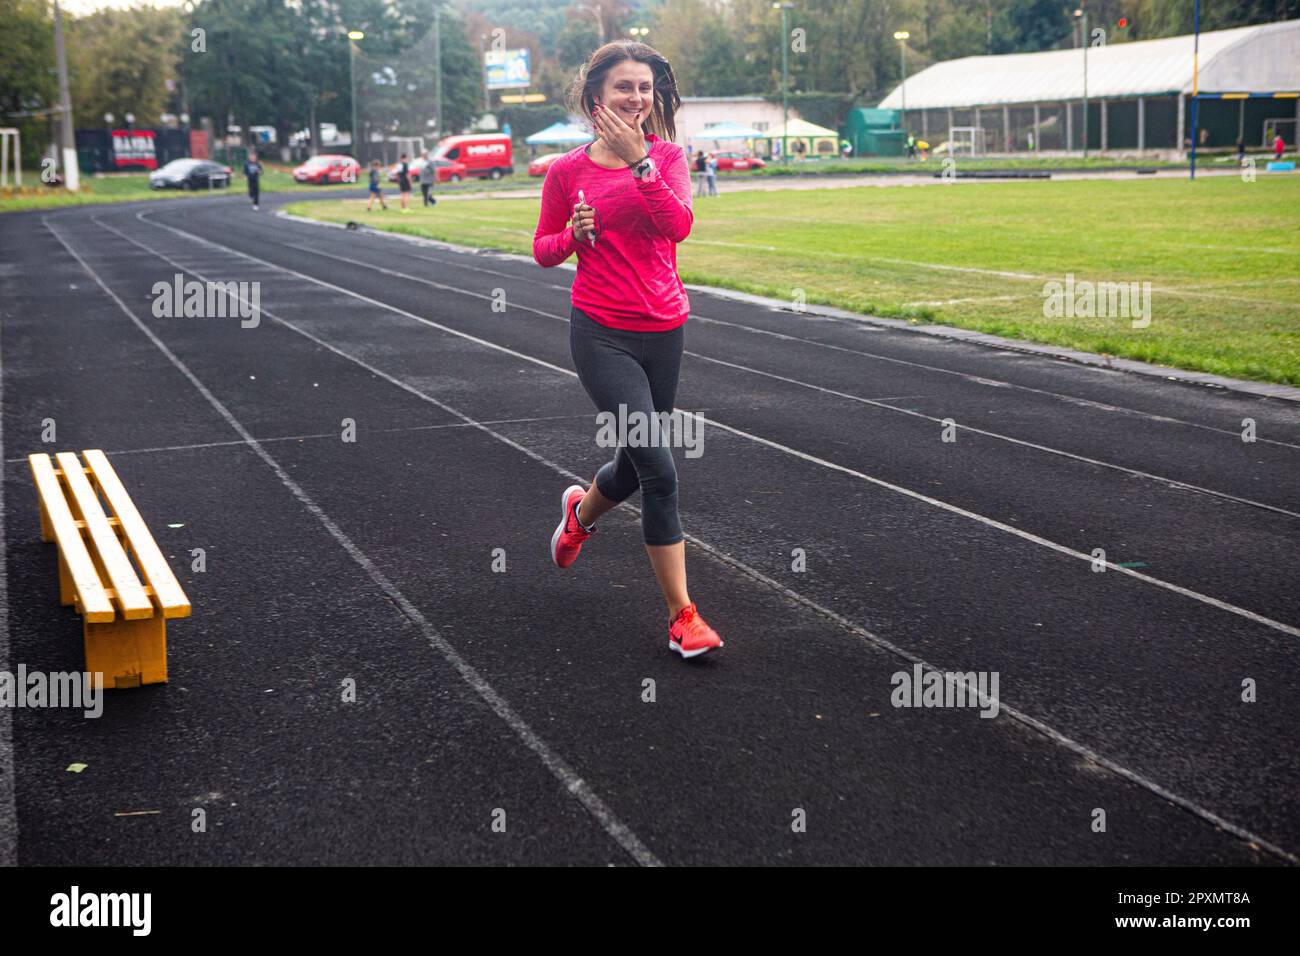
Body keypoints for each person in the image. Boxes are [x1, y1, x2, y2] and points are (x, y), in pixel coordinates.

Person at [532, 39, 724, 659]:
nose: (637, 98)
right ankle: (682, 618)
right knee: (660, 472)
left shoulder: (666, 157)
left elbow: (679, 228)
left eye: (645, 87)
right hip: (601, 332)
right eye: (624, 87)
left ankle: (579, 517)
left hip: (665, 327)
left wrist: (641, 164)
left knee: (631, 466)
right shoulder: (567, 171)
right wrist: (571, 234)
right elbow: (542, 249)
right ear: (596, 98)